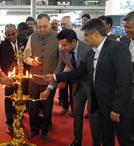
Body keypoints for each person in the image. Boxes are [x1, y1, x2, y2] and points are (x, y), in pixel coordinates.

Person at [43, 18, 134, 146]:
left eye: (86, 35)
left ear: (96, 34)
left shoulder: (117, 48)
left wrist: (117, 109)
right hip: (102, 104)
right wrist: (55, 77)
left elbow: (124, 81)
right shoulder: (92, 51)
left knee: (125, 139)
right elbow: (79, 71)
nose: (84, 38)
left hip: (117, 106)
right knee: (107, 138)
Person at [40, 29, 102, 146]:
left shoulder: (88, 49)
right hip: (76, 86)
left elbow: (81, 72)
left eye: (64, 45)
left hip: (91, 86)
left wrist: (57, 76)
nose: (62, 48)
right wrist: (48, 89)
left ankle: (96, 143)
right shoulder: (63, 51)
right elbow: (58, 70)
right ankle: (77, 141)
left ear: (74, 41)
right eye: (60, 45)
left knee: (93, 116)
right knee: (76, 114)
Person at [23, 13, 59, 143]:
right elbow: (25, 55)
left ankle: (45, 131)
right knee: (32, 106)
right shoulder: (32, 37)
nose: (42, 29)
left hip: (49, 80)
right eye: (40, 27)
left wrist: (59, 78)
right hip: (34, 79)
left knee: (47, 107)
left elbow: (61, 61)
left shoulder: (58, 38)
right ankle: (33, 129)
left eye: (45, 26)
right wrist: (31, 61)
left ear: (50, 25)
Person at [0, 24, 28, 135]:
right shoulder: (2, 45)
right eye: (8, 34)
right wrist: (10, 75)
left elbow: (28, 58)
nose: (11, 36)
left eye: (13, 33)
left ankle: (19, 119)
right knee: (8, 99)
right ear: (5, 34)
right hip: (10, 78)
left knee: (20, 99)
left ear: (17, 32)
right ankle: (10, 123)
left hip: (22, 77)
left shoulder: (24, 41)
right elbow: (2, 64)